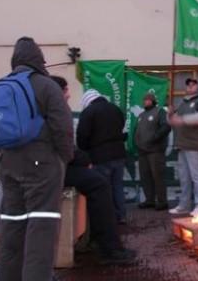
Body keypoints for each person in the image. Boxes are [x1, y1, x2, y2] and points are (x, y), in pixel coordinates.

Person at [0, 37, 74, 281]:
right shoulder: (46, 85)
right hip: (41, 164)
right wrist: (63, 158)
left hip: (8, 164)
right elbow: (63, 127)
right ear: (39, 60)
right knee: (41, 230)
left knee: (11, 228)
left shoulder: (2, 85)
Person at [51, 75, 136, 265]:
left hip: (95, 157)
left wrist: (84, 155)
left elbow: (80, 137)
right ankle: (108, 244)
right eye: (66, 90)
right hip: (55, 167)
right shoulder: (114, 109)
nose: (68, 94)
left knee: (102, 185)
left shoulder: (85, 112)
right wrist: (81, 159)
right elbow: (64, 147)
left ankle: (100, 241)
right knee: (107, 187)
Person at [76, 89, 128, 224]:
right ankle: (121, 215)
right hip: (119, 154)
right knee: (117, 186)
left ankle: (107, 219)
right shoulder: (116, 109)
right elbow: (124, 131)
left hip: (99, 156)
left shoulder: (88, 112)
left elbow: (82, 135)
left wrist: (84, 152)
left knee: (103, 188)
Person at [167, 78, 198, 217]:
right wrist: (170, 115)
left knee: (197, 176)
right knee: (184, 178)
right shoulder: (182, 104)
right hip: (182, 145)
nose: (190, 86)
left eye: (194, 84)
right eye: (188, 84)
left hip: (195, 145)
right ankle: (184, 205)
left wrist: (181, 119)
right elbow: (173, 123)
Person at [134, 92, 171, 211]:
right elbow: (137, 130)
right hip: (142, 151)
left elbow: (166, 127)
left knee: (158, 177)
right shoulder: (141, 115)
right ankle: (149, 200)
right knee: (145, 176)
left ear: (153, 101)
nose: (146, 101)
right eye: (144, 99)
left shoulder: (159, 112)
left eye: (148, 99)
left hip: (155, 151)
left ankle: (162, 201)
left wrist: (155, 138)